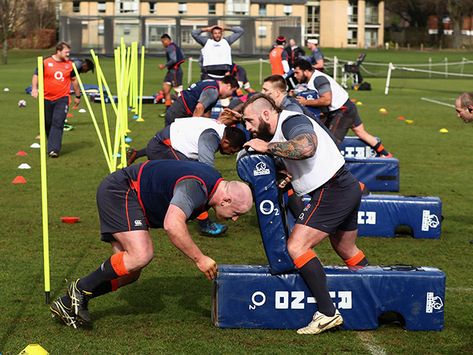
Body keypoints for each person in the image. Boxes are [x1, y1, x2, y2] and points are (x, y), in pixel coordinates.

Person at [50, 159, 253, 329]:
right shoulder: (197, 187)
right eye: (237, 213)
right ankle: (80, 288)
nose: (235, 219)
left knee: (130, 272)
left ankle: (68, 303)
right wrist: (200, 259)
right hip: (122, 190)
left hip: (127, 194)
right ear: (226, 200)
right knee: (141, 255)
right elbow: (172, 225)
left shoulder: (212, 181)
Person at [241, 93, 368, 335]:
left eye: (249, 120)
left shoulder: (291, 121)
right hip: (345, 186)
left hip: (333, 190)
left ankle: (327, 313)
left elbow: (307, 147)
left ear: (266, 114)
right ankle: (374, 293)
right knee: (346, 249)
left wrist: (267, 147)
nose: (248, 127)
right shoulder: (278, 129)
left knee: (296, 247)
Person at [127, 117, 247, 237]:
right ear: (226, 142)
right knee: (198, 183)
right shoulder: (211, 138)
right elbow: (206, 171)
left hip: (163, 142)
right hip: (164, 146)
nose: (231, 153)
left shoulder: (219, 129)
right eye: (232, 150)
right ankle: (204, 224)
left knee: (194, 181)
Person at [293, 59, 392, 157]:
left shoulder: (318, 79)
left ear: (306, 71)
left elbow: (327, 100)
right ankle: (385, 154)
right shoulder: (314, 79)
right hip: (347, 106)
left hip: (343, 110)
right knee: (361, 132)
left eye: (297, 72)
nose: (295, 75)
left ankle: (335, 167)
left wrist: (306, 102)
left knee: (330, 142)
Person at [31, 41, 81, 158]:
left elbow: (74, 80)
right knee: (48, 123)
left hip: (62, 98)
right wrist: (34, 88)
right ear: (58, 51)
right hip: (46, 98)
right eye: (66, 52)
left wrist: (78, 96)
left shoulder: (69, 65)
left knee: (58, 122)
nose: (68, 54)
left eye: (69, 52)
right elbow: (36, 75)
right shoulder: (46, 62)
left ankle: (54, 149)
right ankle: (52, 142)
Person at [164, 76, 239, 126]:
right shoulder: (213, 91)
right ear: (228, 86)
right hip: (179, 113)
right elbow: (199, 108)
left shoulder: (212, 84)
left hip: (177, 110)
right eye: (233, 91)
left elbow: (206, 113)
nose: (231, 95)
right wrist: (195, 127)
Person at [159, 34, 185, 112]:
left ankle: (182, 108)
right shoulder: (175, 46)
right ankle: (168, 110)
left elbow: (173, 59)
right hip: (171, 71)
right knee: (165, 90)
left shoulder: (170, 47)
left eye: (163, 42)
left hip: (175, 72)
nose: (163, 44)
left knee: (178, 92)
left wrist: (164, 66)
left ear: (167, 40)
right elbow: (183, 56)